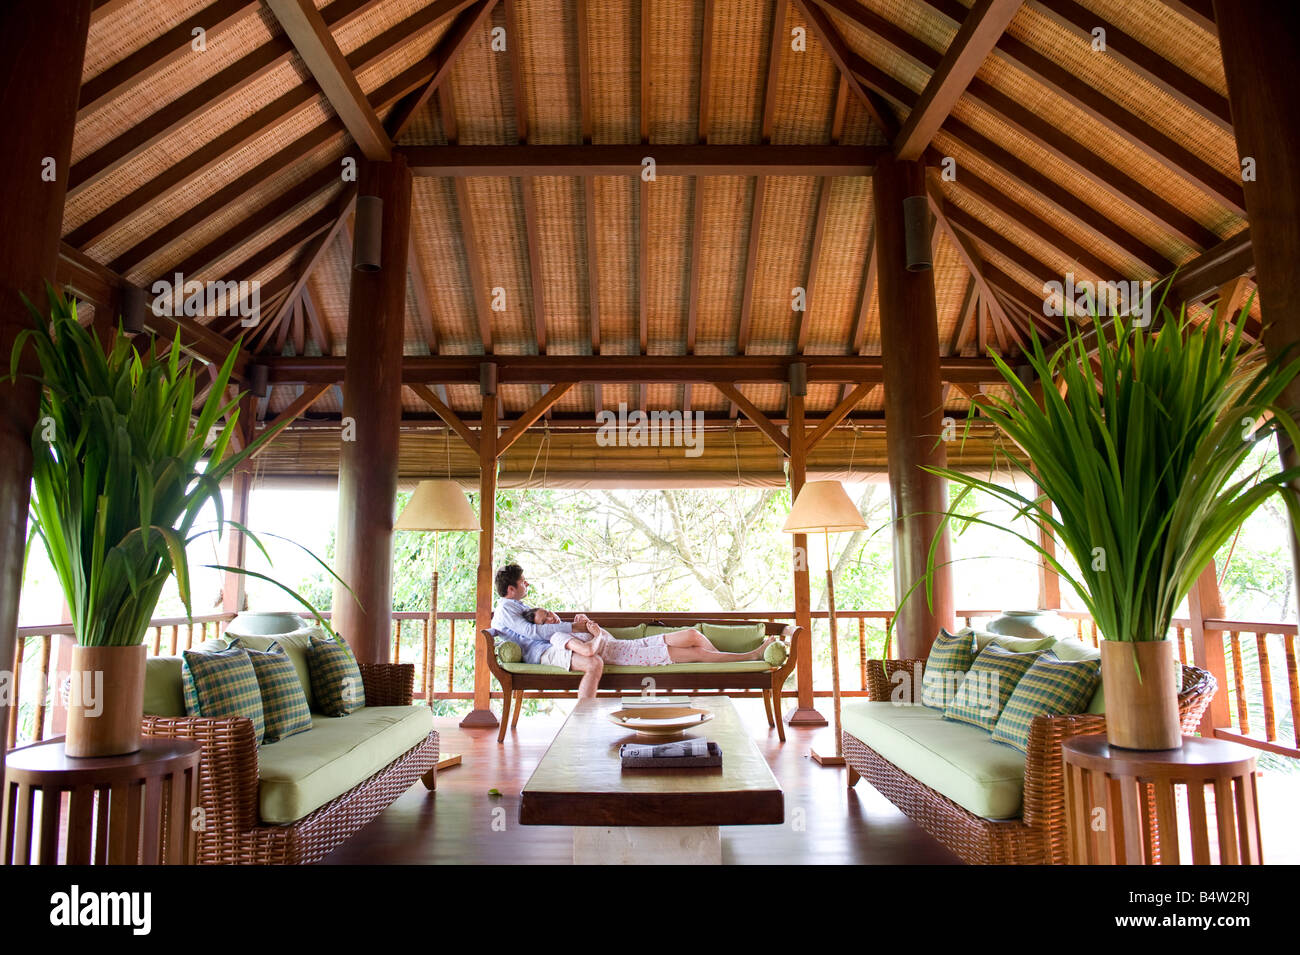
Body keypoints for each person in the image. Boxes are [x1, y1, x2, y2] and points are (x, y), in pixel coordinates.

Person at [491, 564, 604, 700]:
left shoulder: (517, 605)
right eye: (522, 581)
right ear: (511, 589)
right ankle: (584, 714)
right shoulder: (505, 608)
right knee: (594, 663)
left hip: (546, 646)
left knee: (597, 654)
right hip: (539, 652)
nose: (527, 583)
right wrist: (573, 627)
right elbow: (532, 632)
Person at [522, 608, 775, 667]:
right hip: (628, 656)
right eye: (543, 621)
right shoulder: (556, 638)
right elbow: (590, 651)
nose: (551, 620)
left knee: (693, 634)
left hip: (630, 644)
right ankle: (749, 656)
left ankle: (724, 662)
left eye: (549, 614)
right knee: (698, 654)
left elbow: (600, 636)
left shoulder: (573, 625)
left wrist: (584, 623)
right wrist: (596, 633)